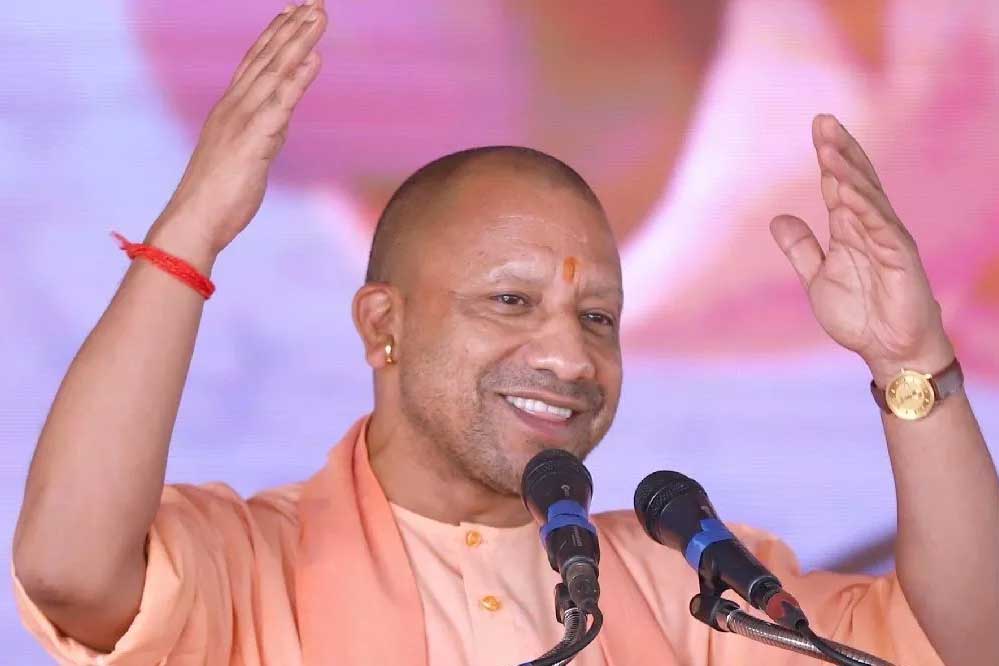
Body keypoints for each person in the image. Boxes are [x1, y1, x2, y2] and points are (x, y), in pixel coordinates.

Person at [12, 3, 997, 665]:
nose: (569, 358)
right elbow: (69, 570)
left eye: (597, 318)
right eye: (511, 302)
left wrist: (911, 362)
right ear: (383, 325)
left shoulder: (686, 582)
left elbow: (961, 642)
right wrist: (190, 231)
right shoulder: (250, 567)